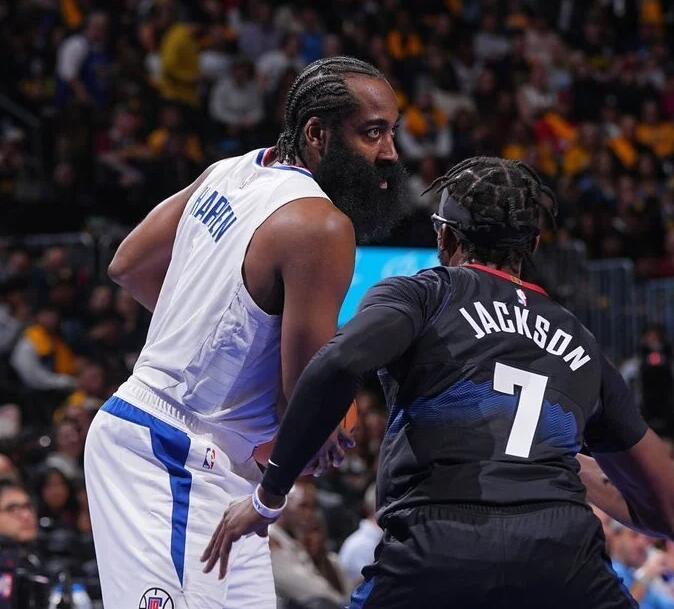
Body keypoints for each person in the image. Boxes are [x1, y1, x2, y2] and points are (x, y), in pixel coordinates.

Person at [204, 157, 674, 609]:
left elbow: (335, 365)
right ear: (532, 245)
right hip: (563, 556)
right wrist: (560, 462)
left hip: (438, 543)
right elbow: (664, 508)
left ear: (444, 236)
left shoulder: (424, 294)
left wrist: (269, 496)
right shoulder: (579, 339)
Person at [84, 56, 405, 609]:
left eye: (392, 132)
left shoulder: (232, 170)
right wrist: (328, 422)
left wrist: (211, 334)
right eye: (372, 132)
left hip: (217, 466)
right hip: (171, 452)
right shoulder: (322, 225)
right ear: (317, 134)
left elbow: (129, 265)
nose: (391, 152)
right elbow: (306, 389)